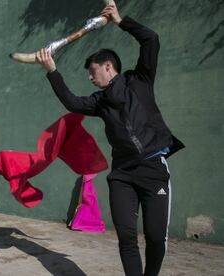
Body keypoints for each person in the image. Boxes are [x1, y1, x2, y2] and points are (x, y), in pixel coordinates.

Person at [36, 3, 184, 276]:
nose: (90, 78)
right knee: (126, 238)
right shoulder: (99, 102)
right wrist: (52, 71)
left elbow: (151, 39)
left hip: (153, 170)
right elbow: (71, 102)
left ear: (108, 67)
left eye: (92, 72)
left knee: (154, 237)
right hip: (122, 175)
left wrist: (119, 20)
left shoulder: (139, 80)